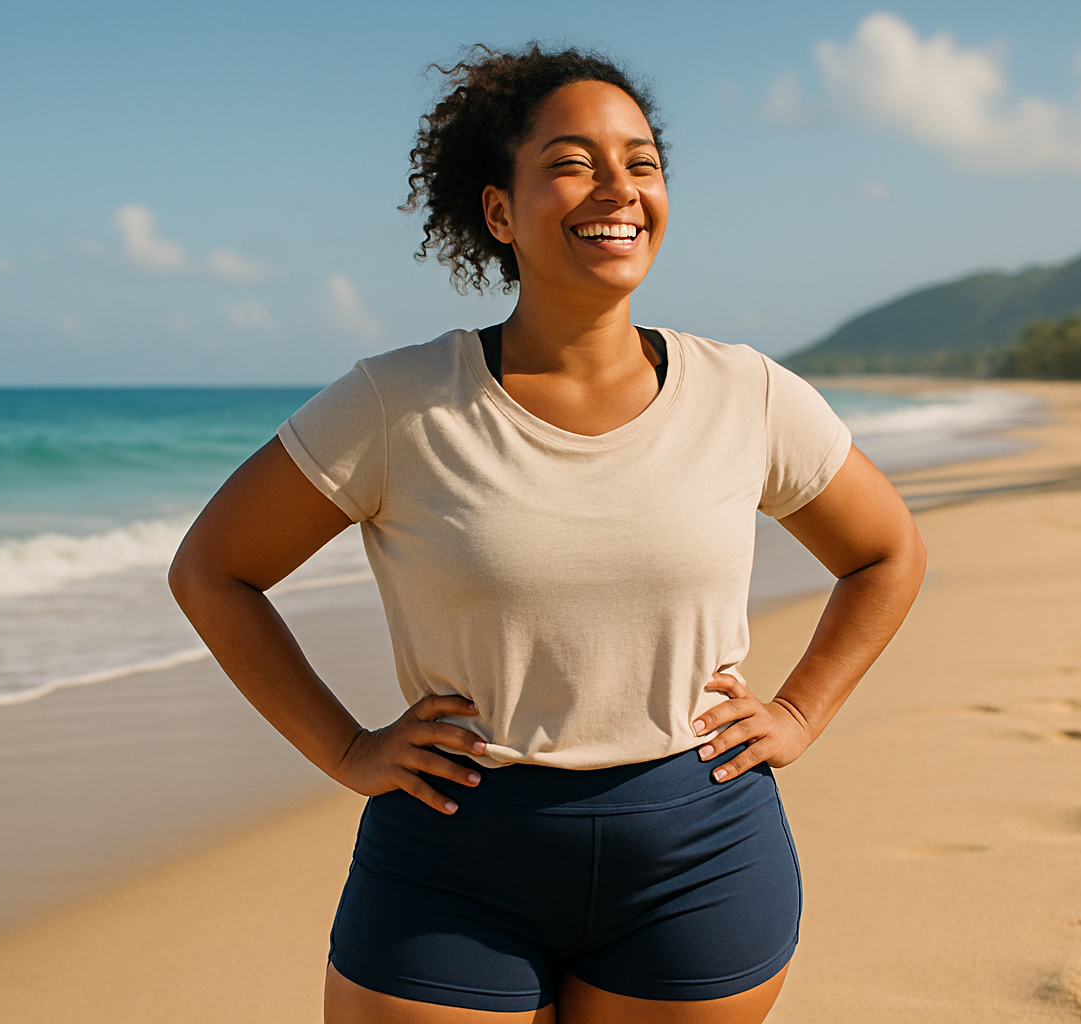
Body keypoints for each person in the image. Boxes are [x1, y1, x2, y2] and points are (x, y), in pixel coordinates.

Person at [169, 45, 925, 1024]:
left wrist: (802, 712)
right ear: (498, 211)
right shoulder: (398, 406)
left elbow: (886, 551)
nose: (617, 186)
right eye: (573, 160)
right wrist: (348, 748)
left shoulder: (747, 394)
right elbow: (215, 570)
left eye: (641, 162)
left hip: (697, 854)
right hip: (452, 859)